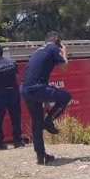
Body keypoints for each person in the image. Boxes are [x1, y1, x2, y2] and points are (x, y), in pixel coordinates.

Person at [21, 31, 72, 165]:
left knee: (36, 122)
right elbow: (64, 67)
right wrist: (65, 52)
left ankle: (41, 156)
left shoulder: (38, 50)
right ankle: (49, 120)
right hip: (37, 88)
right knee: (66, 96)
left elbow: (38, 76)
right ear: (57, 40)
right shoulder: (54, 48)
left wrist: (45, 100)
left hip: (26, 89)